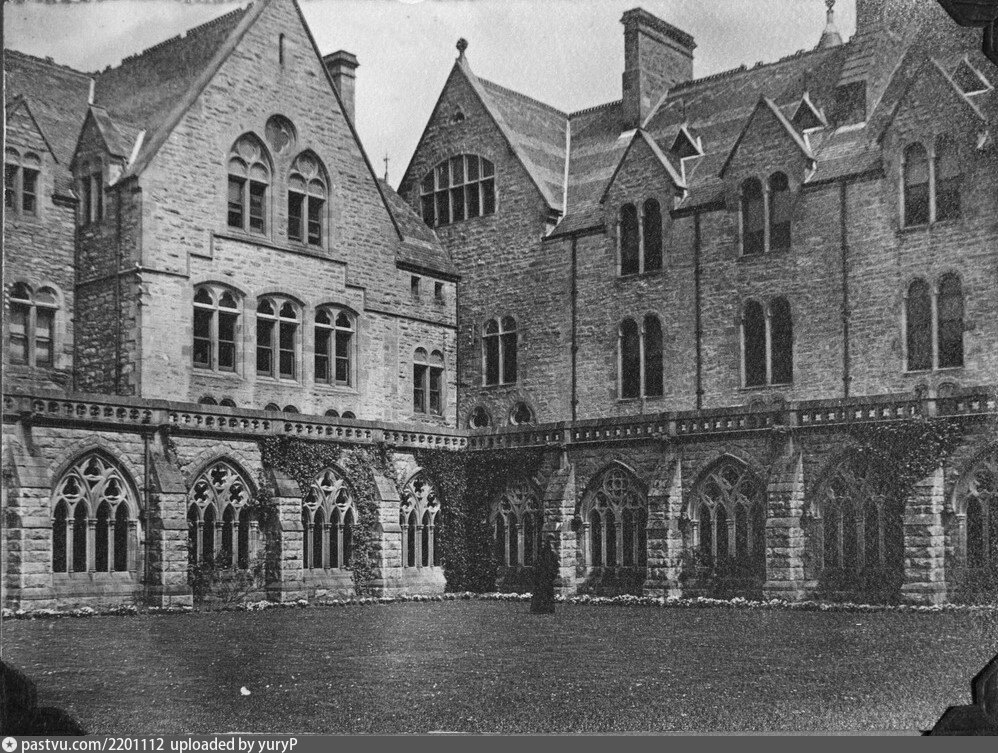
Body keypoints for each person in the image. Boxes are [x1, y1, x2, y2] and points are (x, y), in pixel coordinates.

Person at [530, 536, 558, 614]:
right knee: (543, 593)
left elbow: (555, 566)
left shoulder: (548, 555)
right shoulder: (543, 555)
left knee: (544, 593)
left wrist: (551, 575)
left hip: (545, 579)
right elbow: (536, 566)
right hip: (543, 579)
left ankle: (543, 609)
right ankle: (543, 609)